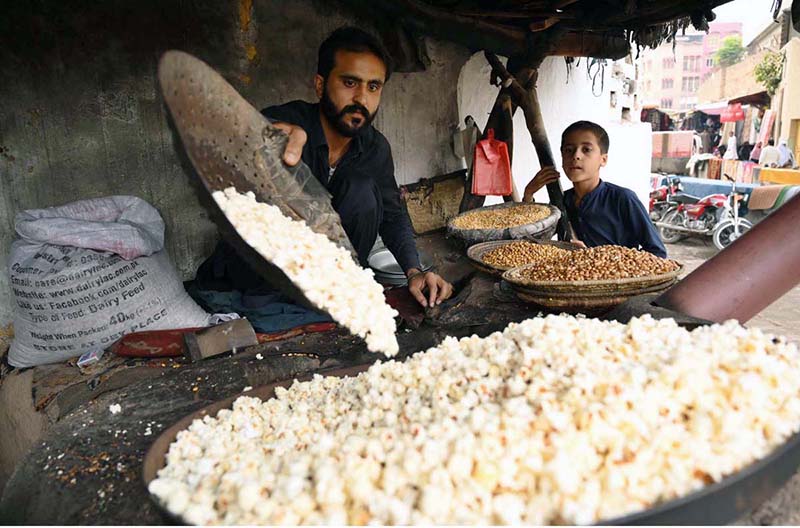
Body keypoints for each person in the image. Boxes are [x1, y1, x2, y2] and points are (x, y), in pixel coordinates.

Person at [198, 27, 453, 308]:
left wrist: (414, 272)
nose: (361, 98)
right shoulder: (286, 124)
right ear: (320, 85)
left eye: (373, 86)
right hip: (260, 278)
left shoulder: (375, 148)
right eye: (349, 83)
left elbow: (392, 216)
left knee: (361, 188)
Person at [523, 121, 667, 258]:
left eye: (586, 149)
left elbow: (657, 252)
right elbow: (535, 242)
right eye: (568, 150)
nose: (576, 156)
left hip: (618, 281)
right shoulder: (561, 201)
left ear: (603, 159)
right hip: (571, 281)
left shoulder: (622, 199)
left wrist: (594, 258)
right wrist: (529, 194)